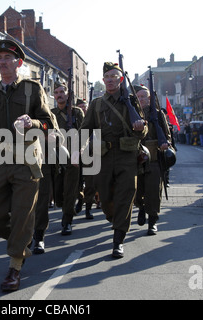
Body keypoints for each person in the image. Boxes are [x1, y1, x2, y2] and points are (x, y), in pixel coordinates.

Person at [0, 39, 56, 292]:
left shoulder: (32, 89)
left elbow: (49, 125)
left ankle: (15, 267)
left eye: (8, 57)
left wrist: (33, 123)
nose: (2, 62)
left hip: (27, 162)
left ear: (19, 63)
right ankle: (21, 240)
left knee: (24, 213)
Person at [78, 62, 147, 259]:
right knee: (106, 198)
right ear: (103, 80)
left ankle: (118, 240)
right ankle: (114, 220)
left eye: (114, 76)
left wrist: (141, 127)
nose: (110, 80)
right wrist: (78, 149)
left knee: (125, 197)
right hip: (104, 157)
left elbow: (144, 128)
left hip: (127, 156)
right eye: (107, 77)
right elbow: (85, 129)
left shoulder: (131, 102)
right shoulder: (97, 104)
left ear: (121, 80)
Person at [134, 84, 171, 235]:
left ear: (149, 99)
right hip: (136, 158)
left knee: (154, 191)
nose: (141, 99)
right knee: (136, 190)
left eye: (144, 97)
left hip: (154, 158)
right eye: (139, 97)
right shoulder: (131, 113)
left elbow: (167, 135)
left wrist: (165, 144)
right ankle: (141, 207)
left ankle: (153, 220)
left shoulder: (157, 114)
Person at [51, 81, 84, 235]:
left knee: (69, 191)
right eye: (56, 92)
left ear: (67, 94)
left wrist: (79, 152)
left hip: (73, 158)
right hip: (56, 159)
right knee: (58, 194)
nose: (59, 95)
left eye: (61, 92)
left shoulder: (77, 113)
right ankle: (73, 202)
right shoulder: (51, 114)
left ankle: (67, 221)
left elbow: (85, 135)